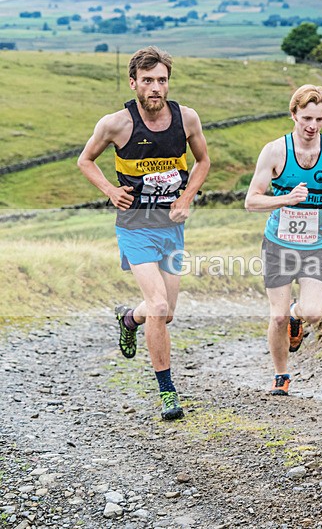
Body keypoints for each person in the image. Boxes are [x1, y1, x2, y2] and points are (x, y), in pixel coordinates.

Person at [78, 46, 211, 421]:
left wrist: (186, 196)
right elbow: (85, 159)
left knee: (164, 314)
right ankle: (168, 392)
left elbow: (203, 161)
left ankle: (128, 319)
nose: (156, 87)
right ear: (134, 82)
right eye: (148, 80)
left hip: (171, 228)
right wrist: (109, 190)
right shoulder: (115, 124)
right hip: (135, 227)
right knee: (158, 305)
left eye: (162, 80)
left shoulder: (187, 119)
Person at [245, 85, 322, 397]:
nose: (312, 126)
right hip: (278, 244)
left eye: (319, 119)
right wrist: (287, 199)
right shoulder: (275, 151)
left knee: (313, 313)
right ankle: (281, 375)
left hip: (316, 246)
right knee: (276, 317)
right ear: (293, 115)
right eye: (306, 118)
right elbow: (252, 200)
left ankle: (296, 314)